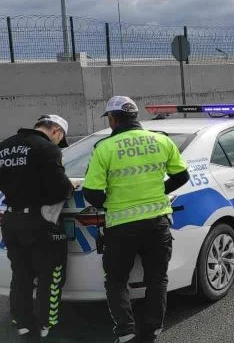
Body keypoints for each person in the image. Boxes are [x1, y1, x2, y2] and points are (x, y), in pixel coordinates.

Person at [81, 96, 190, 343]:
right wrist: (159, 191)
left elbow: (92, 193)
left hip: (120, 228)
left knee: (116, 280)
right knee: (157, 279)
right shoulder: (161, 140)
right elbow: (182, 176)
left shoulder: (104, 148)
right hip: (157, 223)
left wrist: (110, 203)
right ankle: (152, 330)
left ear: (113, 119)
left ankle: (126, 332)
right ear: (135, 116)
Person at [0, 115, 73, 339]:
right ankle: (45, 325)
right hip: (40, 221)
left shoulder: (4, 147)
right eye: (60, 138)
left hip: (11, 220)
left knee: (21, 273)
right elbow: (61, 190)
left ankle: (21, 322)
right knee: (50, 273)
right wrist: (70, 185)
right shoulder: (47, 148)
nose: (58, 142)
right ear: (56, 131)